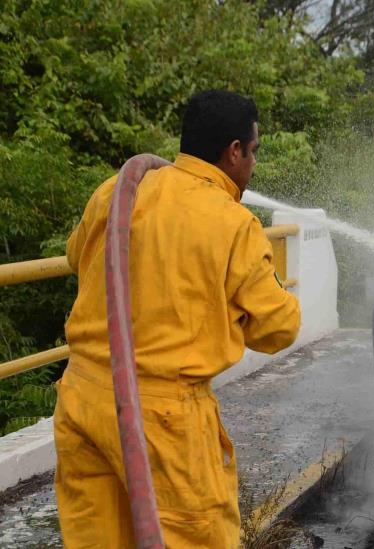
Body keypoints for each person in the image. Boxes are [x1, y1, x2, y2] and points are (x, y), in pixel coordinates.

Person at [53, 90, 301, 547]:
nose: (253, 165)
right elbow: (277, 329)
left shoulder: (116, 190)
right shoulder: (232, 223)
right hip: (164, 419)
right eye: (254, 152)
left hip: (82, 402)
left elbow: (77, 256)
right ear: (234, 151)